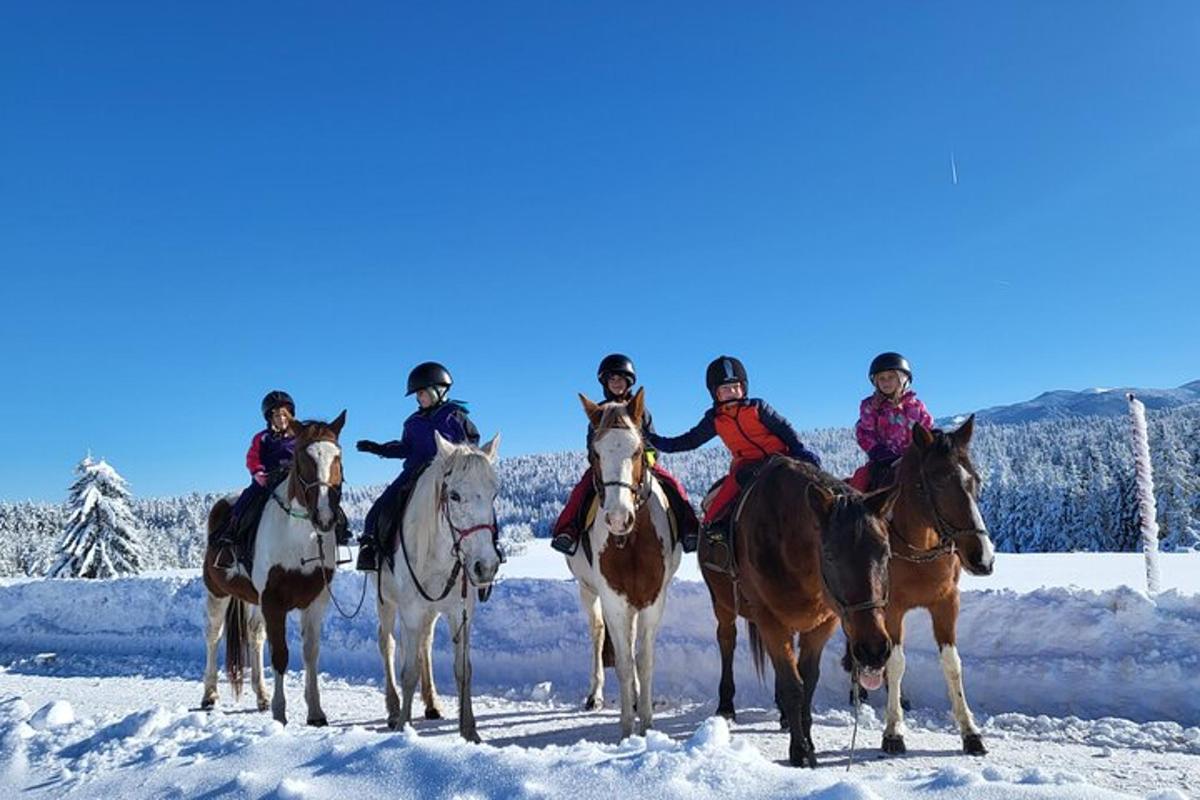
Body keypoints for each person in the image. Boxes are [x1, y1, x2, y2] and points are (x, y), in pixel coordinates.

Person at [648, 356, 820, 556]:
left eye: (734, 387)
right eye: (724, 389)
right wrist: (660, 442)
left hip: (780, 458)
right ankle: (722, 544)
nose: (730, 393)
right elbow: (690, 440)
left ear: (743, 388)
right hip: (746, 466)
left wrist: (798, 449)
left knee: (812, 487)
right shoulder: (715, 419)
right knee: (714, 512)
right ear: (715, 394)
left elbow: (783, 428)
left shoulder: (757, 408)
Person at [550, 354, 698, 555]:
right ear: (605, 383)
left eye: (621, 379)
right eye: (612, 379)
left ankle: (689, 528)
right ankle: (567, 531)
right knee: (581, 490)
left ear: (629, 382)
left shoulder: (640, 411)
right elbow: (591, 445)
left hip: (640, 463)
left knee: (673, 486)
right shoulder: (599, 413)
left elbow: (651, 440)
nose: (617, 383)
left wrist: (648, 459)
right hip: (606, 466)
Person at [355, 361, 479, 571]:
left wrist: (460, 463)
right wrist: (378, 448)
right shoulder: (412, 422)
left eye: (421, 393)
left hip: (447, 473)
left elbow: (472, 442)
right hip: (415, 472)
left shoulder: (455, 416)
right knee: (382, 505)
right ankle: (370, 547)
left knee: (478, 503)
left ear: (438, 390)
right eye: (417, 394)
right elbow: (405, 448)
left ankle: (490, 547)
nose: (418, 398)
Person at [211, 390, 297, 562]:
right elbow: (252, 457)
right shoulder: (262, 438)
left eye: (284, 415)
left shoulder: (299, 437)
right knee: (247, 499)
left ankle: (337, 529)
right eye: (276, 415)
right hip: (267, 480)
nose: (281, 419)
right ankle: (232, 532)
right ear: (270, 418)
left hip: (292, 479)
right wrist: (258, 472)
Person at [848, 352, 933, 492]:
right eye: (881, 378)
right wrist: (877, 451)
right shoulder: (870, 406)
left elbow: (926, 429)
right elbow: (864, 432)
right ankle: (853, 510)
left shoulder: (917, 407)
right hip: (882, 462)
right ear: (875, 382)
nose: (886, 382)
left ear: (903, 379)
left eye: (891, 377)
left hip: (915, 460)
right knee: (860, 477)